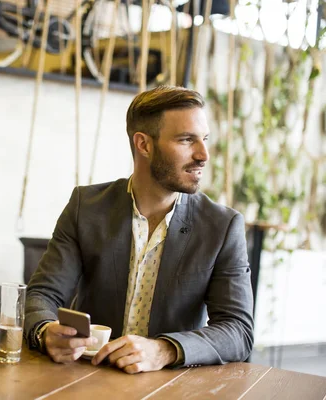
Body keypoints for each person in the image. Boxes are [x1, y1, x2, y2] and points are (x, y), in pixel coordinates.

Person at [24, 85, 254, 374]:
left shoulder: (222, 227)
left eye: (204, 139)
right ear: (143, 144)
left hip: (172, 386)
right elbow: (42, 294)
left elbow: (238, 330)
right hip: (89, 377)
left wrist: (165, 349)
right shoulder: (86, 207)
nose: (203, 154)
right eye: (186, 140)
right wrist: (46, 331)